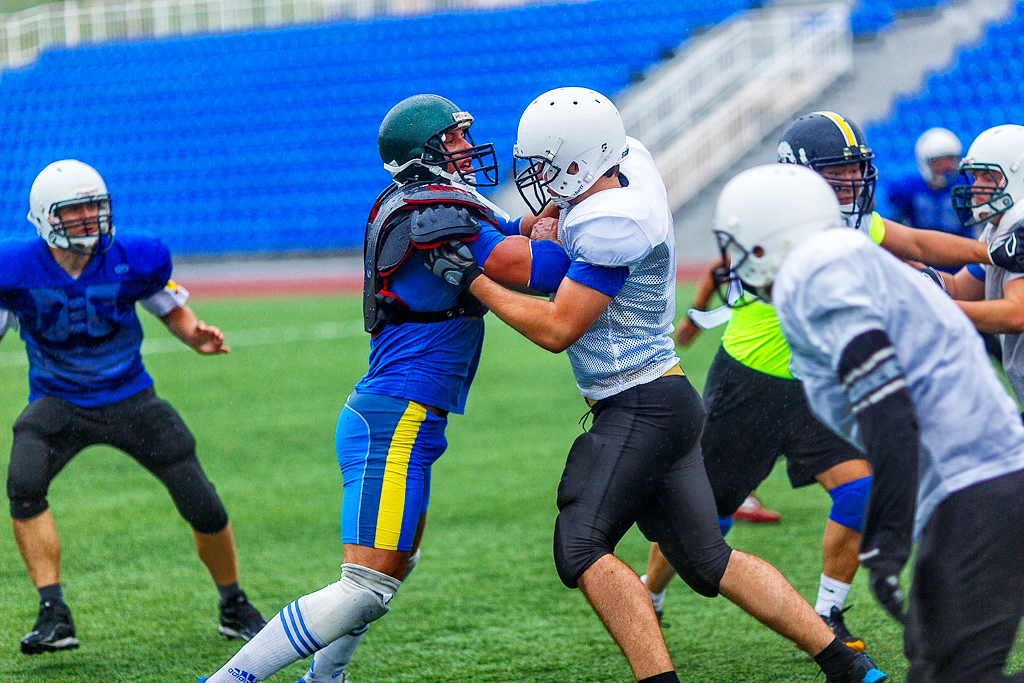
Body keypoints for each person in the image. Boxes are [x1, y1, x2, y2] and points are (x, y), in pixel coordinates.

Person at [424, 87, 886, 683]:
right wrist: (537, 225)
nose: (537, 178)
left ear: (575, 162)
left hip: (637, 404)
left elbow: (558, 326)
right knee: (709, 561)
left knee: (582, 546)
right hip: (664, 397)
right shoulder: (625, 168)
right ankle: (847, 667)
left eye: (545, 165)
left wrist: (473, 281)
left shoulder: (612, 222)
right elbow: (564, 229)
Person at [198, 93, 568, 683]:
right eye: (452, 140)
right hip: (394, 416)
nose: (466, 149)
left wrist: (537, 225)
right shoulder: (430, 212)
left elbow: (504, 231)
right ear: (423, 154)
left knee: (394, 564)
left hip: (400, 414)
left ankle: (325, 679)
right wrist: (566, 232)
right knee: (363, 587)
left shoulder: (426, 204)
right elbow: (539, 271)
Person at [642, 111, 1024, 650]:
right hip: (751, 385)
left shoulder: (838, 219)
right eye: (837, 171)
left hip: (816, 384)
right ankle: (648, 593)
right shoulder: (776, 220)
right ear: (801, 172)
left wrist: (990, 251)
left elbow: (913, 243)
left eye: (853, 169)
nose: (851, 181)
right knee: (707, 515)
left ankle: (829, 614)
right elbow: (724, 270)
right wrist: (692, 320)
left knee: (860, 491)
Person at [717, 160, 1024, 683]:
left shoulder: (814, 279)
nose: (735, 261)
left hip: (976, 487)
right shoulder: (842, 256)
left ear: (771, 239)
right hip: (974, 484)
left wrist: (886, 534)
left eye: (739, 243)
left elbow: (888, 410)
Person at [0, 160, 266, 654]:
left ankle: (234, 604)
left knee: (202, 502)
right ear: (42, 217)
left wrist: (194, 334)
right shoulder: (14, 268)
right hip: (58, 402)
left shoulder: (133, 256)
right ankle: (53, 613)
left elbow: (168, 305)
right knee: (24, 480)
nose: (87, 219)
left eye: (93, 207)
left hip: (130, 398)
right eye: (73, 210)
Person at [933, 124, 1024, 405]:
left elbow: (1016, 314)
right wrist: (907, 275)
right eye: (975, 176)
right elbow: (960, 287)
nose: (977, 187)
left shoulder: (1019, 226)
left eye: (989, 176)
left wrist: (934, 308)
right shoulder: (1001, 224)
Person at [886, 128, 971, 250]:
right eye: (939, 162)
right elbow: (896, 221)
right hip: (922, 252)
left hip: (961, 250)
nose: (946, 167)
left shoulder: (966, 184)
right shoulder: (908, 187)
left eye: (950, 160)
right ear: (924, 162)